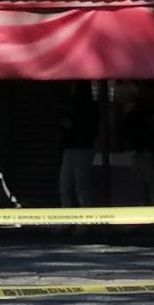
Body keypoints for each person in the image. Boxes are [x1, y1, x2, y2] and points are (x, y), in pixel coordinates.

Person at [122, 82, 154, 206]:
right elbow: (127, 127)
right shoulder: (138, 110)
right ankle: (143, 219)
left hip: (151, 155)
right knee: (139, 188)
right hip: (139, 153)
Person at [58, 82, 100, 211]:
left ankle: (85, 223)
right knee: (65, 186)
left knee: (81, 187)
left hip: (83, 148)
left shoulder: (89, 107)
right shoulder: (71, 104)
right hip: (71, 148)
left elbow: (90, 129)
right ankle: (68, 221)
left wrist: (72, 125)